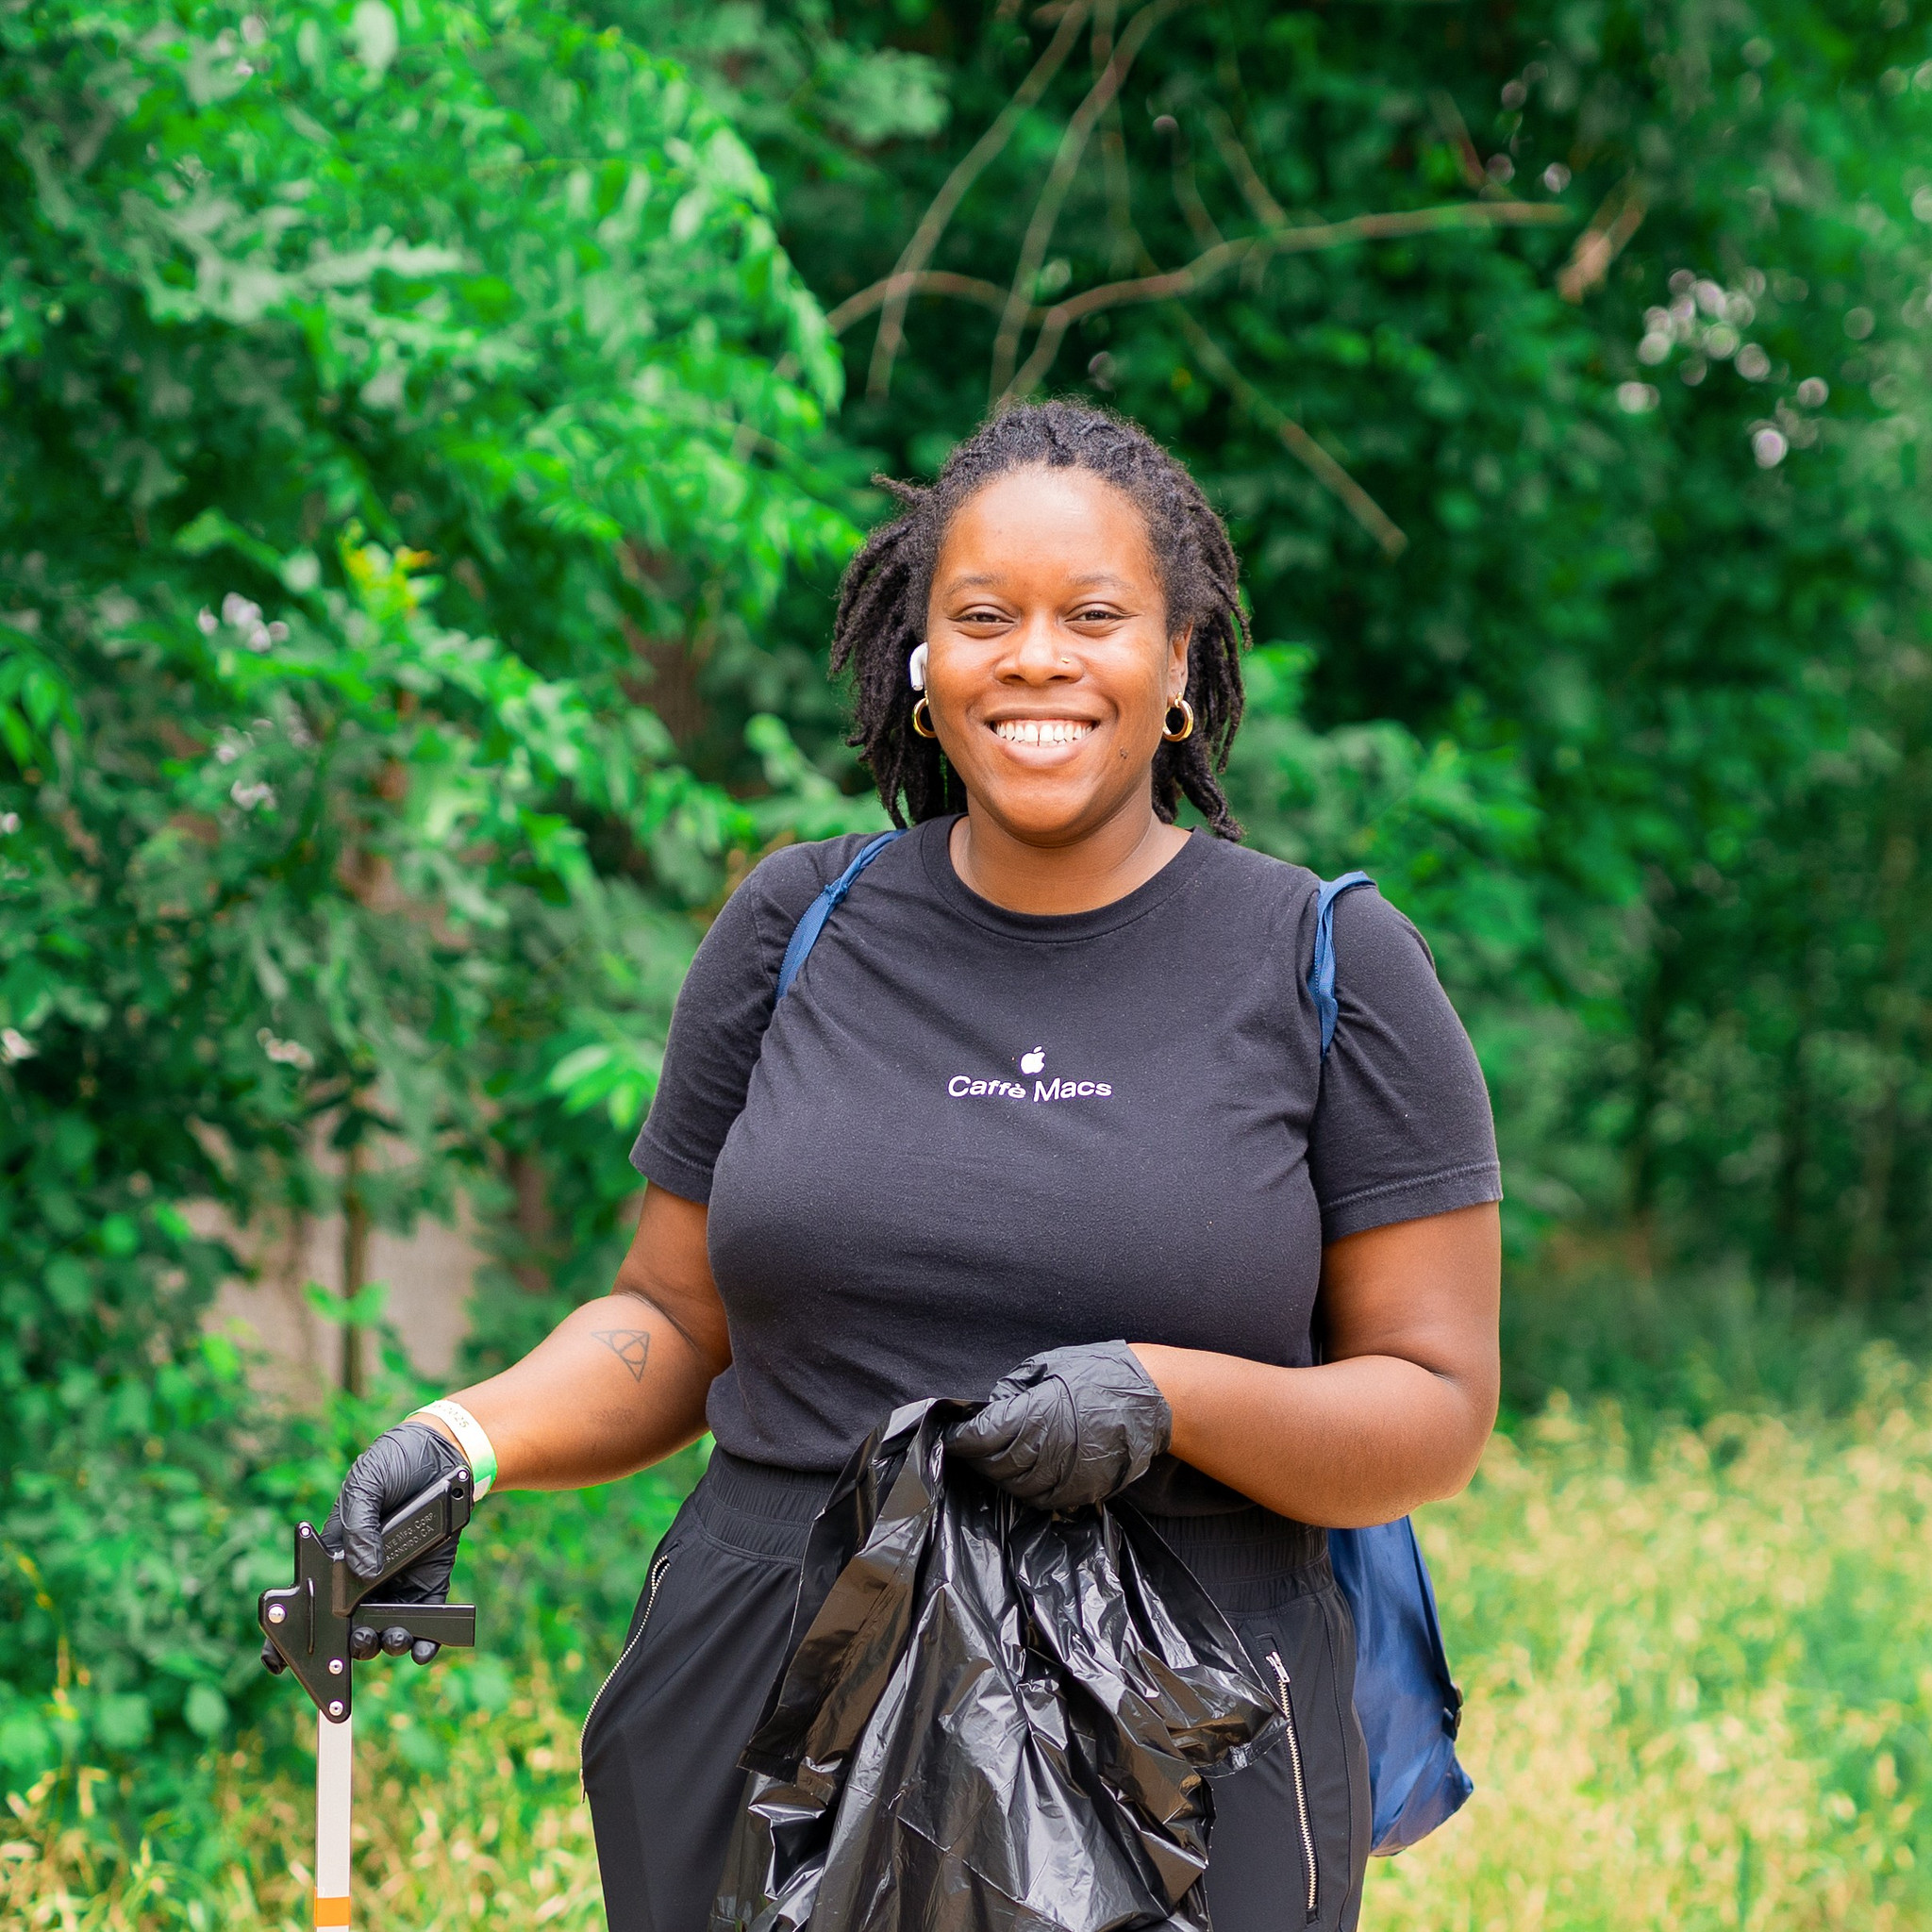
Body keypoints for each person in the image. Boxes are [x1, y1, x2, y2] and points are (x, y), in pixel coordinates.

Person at [300, 401, 1502, 1932]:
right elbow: (671, 1324)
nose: (1038, 660)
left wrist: (1165, 1398)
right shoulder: (796, 928)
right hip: (768, 1682)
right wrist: (462, 1440)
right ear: (924, 667)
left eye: (1097, 616)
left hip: (1186, 1719)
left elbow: (1434, 1409)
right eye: (984, 617)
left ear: (1183, 663)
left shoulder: (1326, 962)